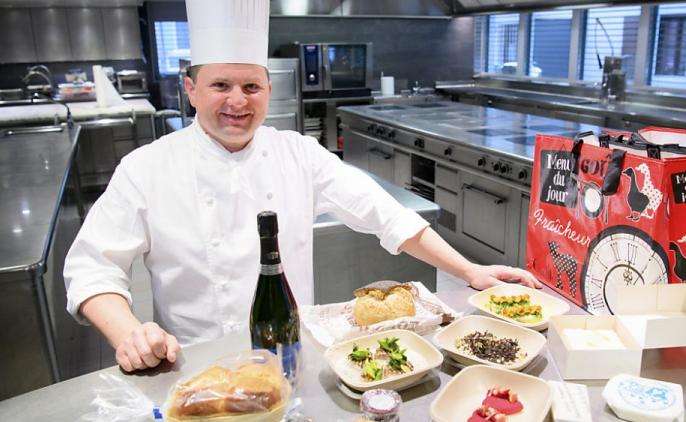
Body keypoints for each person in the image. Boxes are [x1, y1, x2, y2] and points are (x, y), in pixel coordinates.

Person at [64, 0, 541, 373]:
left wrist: (471, 271)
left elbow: (385, 214)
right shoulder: (145, 167)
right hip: (192, 361)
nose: (237, 101)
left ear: (268, 90)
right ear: (190, 90)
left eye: (251, 87)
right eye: (220, 86)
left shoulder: (298, 153)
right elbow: (93, 269)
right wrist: (130, 333)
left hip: (295, 356)